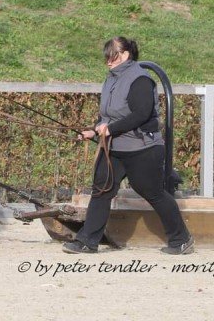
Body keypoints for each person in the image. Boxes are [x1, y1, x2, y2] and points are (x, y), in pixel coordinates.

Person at [62, 37, 194, 255]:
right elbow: (106, 115)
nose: (107, 61)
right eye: (106, 57)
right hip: (114, 148)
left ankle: (181, 239)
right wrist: (93, 129)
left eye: (111, 56)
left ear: (125, 55)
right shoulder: (111, 79)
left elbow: (141, 114)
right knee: (101, 191)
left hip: (142, 148)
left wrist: (110, 129)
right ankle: (87, 241)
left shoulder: (141, 80)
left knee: (153, 193)